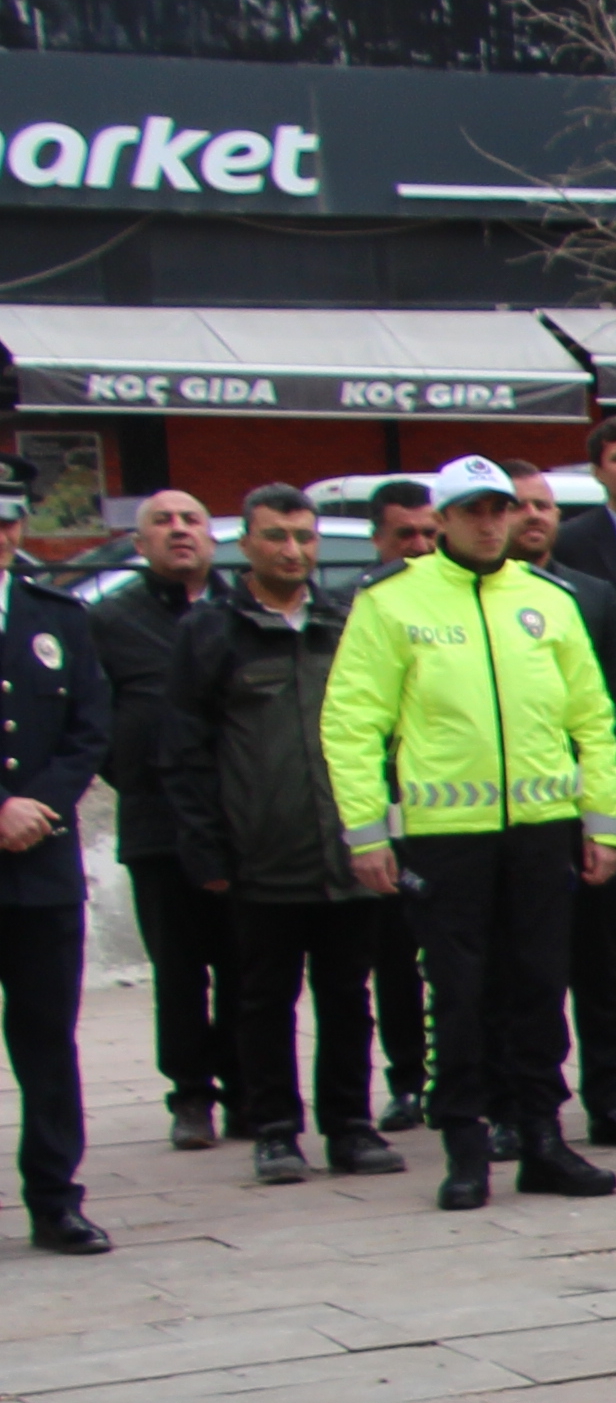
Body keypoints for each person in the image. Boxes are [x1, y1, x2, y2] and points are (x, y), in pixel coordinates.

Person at [323, 457, 616, 1211]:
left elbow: (592, 717)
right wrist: (366, 834)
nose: (492, 522)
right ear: (445, 519)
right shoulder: (393, 601)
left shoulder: (548, 598)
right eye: (475, 510)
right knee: (457, 993)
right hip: (443, 834)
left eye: (502, 509)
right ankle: (465, 1144)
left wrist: (604, 821)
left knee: (539, 987)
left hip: (541, 830)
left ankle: (543, 1139)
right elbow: (354, 722)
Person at [167, 490, 402, 1186]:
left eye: (302, 536)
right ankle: (274, 1130)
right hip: (261, 854)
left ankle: (351, 1127)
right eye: (275, 537)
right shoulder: (211, 631)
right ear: (246, 542)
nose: (292, 551)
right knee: (264, 998)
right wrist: (206, 848)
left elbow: (383, 731)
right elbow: (184, 751)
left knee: (348, 999)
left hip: (348, 850)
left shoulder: (347, 621)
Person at [517, 453, 616, 1151]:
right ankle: (523, 1103)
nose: (528, 517)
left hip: (596, 806)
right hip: (511, 821)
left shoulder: (589, 595)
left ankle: (613, 1096)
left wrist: (599, 785)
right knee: (523, 971)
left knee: (608, 960)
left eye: (541, 505)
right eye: (513, 504)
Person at [86, 490, 230, 1151]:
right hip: (159, 824)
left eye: (192, 521)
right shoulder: (109, 621)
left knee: (250, 966)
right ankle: (192, 1096)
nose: (179, 531)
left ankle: (253, 1090)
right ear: (138, 544)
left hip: (246, 822)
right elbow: (92, 720)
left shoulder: (243, 607)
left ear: (213, 538)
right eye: (162, 522)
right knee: (178, 968)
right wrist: (143, 771)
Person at [1, 545, 112, 1254]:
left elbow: (90, 726)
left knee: (47, 1039)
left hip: (41, 862)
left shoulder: (58, 616)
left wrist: (35, 803)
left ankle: (54, 1198)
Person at [357, 480, 436, 1131]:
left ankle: (464, 1079)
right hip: (386, 809)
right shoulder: (360, 611)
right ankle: (407, 1079)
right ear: (377, 540)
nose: (417, 546)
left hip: (452, 814)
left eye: (429, 534)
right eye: (404, 535)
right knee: (393, 958)